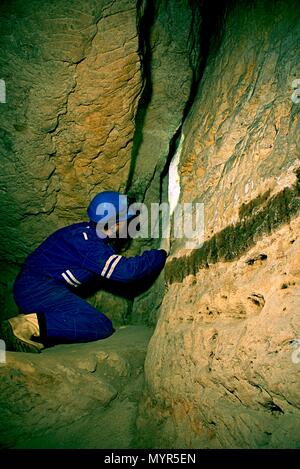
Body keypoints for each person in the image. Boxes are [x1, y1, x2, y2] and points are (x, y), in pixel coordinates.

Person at [1, 191, 168, 353]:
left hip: (40, 287)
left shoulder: (91, 236)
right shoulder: (87, 244)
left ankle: (31, 328)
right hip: (37, 288)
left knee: (90, 323)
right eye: (126, 219)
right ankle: (23, 326)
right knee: (99, 325)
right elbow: (126, 272)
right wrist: (160, 253)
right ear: (114, 223)